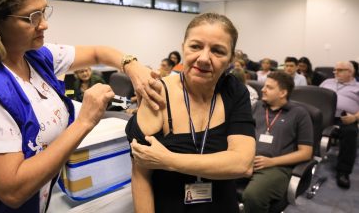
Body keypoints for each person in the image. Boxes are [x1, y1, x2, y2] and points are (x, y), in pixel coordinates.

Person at [0, 0, 163, 212]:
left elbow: (100, 52)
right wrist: (85, 121)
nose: (44, 24)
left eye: (44, 11)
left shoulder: (35, 57)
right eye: (32, 17)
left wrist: (132, 66)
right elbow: (13, 190)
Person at [126, 12, 256, 212]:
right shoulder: (159, 94)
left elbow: (242, 164)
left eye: (218, 51)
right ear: (183, 48)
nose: (204, 58)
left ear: (230, 58)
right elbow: (141, 175)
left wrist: (168, 160)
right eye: (195, 46)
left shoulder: (234, 91)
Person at [242, 71, 313, 212]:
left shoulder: (299, 114)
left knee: (253, 196)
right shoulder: (257, 107)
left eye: (269, 87)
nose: (262, 89)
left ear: (282, 93)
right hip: (247, 160)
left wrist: (271, 162)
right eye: (264, 86)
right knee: (215, 178)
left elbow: (306, 153)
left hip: (276, 167)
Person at [319, 61, 359, 189]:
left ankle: (343, 172)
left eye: (340, 70)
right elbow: (315, 96)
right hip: (322, 115)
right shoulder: (327, 82)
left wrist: (355, 117)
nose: (335, 72)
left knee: (350, 132)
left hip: (343, 118)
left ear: (350, 72)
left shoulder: (357, 87)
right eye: (335, 70)